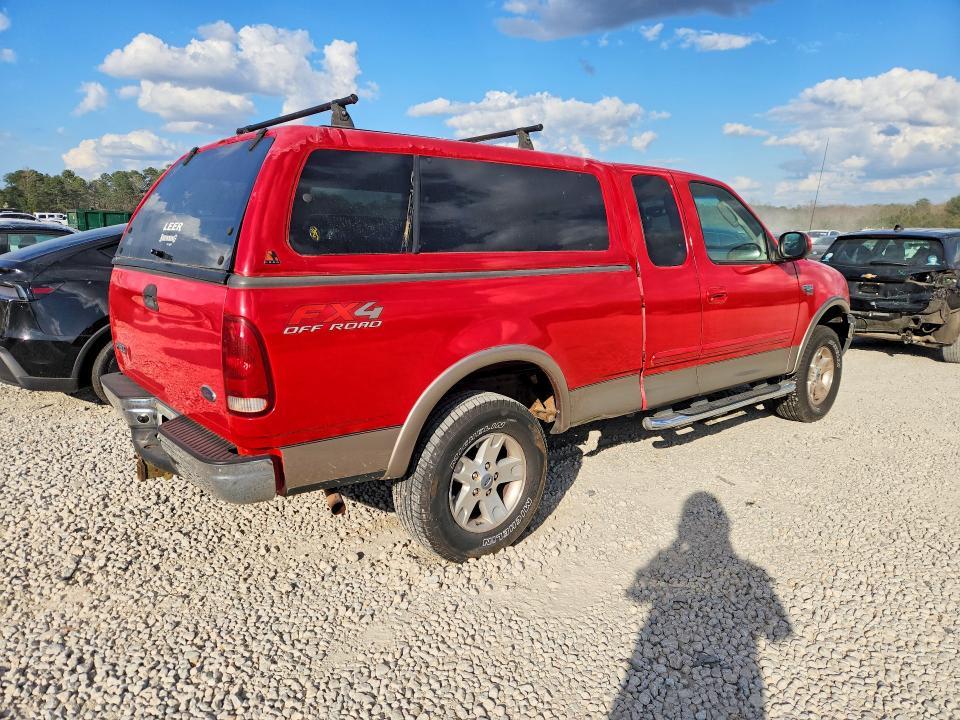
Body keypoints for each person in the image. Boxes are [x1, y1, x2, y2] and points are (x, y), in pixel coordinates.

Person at [610, 493, 791, 720]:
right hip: (744, 667)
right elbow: (781, 633)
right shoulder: (753, 572)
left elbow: (636, 594)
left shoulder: (666, 559)